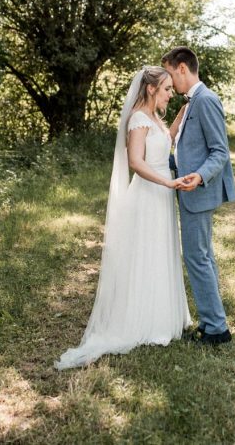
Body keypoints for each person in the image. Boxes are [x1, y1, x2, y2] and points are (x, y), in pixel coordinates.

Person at [54, 66, 192, 369]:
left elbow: (162, 144)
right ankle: (143, 320)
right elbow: (135, 161)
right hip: (148, 194)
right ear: (152, 89)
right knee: (145, 254)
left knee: (160, 252)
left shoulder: (155, 119)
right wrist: (167, 181)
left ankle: (163, 315)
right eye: (167, 89)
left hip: (161, 194)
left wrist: (180, 116)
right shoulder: (138, 119)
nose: (171, 93)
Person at [162, 46, 235, 345]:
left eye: (169, 73)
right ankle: (212, 321)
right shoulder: (192, 102)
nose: (169, 82)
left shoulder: (205, 100)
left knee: (196, 258)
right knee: (203, 256)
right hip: (191, 188)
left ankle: (216, 329)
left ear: (182, 68)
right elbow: (190, 150)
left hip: (199, 191)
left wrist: (200, 176)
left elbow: (220, 151)